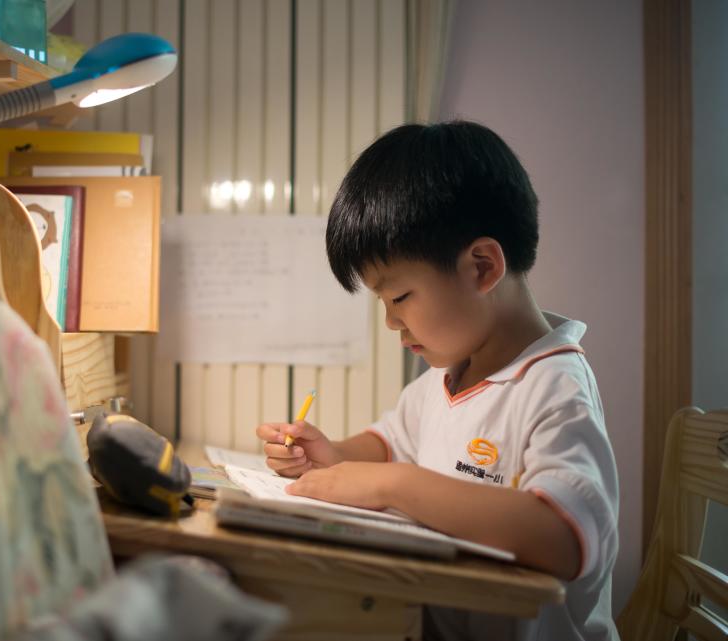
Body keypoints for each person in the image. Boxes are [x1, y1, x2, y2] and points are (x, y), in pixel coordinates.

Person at [256, 121, 619, 641]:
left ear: (481, 267)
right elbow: (388, 444)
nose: (390, 322)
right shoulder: (446, 378)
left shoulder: (555, 385)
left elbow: (562, 536)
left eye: (399, 298)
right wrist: (331, 454)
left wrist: (392, 485)